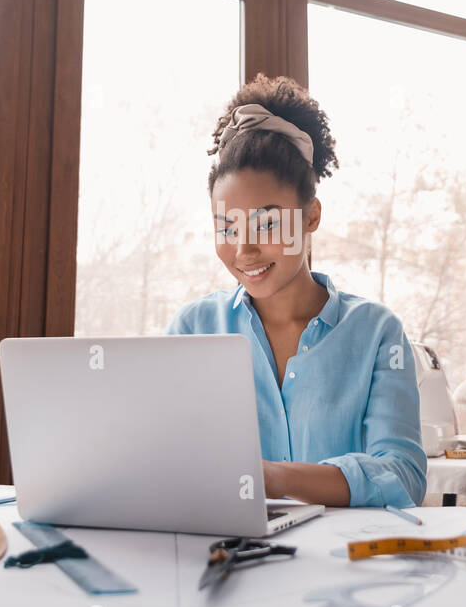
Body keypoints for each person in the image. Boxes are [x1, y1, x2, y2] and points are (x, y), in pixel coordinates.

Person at [165, 74, 427, 508]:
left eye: (266, 224)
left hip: (348, 564)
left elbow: (402, 475)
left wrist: (274, 478)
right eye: (227, 228)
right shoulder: (193, 328)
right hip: (227, 559)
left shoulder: (376, 332)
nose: (243, 249)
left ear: (311, 217)